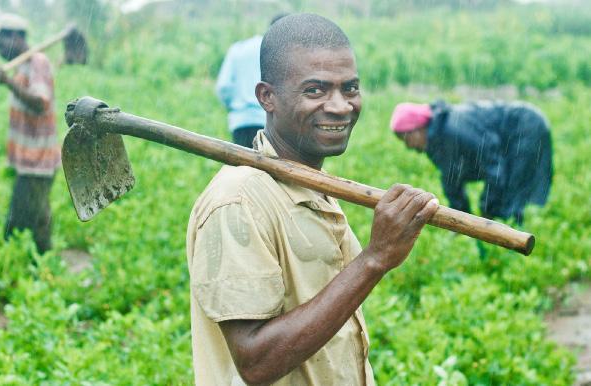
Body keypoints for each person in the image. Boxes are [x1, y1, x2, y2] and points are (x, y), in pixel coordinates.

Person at [187, 14, 439, 385]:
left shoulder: (313, 184)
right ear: (266, 97)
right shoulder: (237, 203)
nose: (340, 106)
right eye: (315, 90)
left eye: (349, 88)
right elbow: (257, 362)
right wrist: (374, 259)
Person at [391, 100, 552, 225]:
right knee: (504, 197)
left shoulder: (453, 129)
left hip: (526, 127)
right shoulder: (437, 139)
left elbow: (494, 168)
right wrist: (460, 217)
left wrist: (487, 210)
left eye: (406, 139)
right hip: (517, 131)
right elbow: (451, 177)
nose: (408, 146)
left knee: (510, 194)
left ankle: (514, 244)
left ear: (417, 128)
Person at [0, 14, 61, 253]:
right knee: (32, 216)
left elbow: (40, 102)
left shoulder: (37, 62)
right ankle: (39, 267)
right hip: (27, 160)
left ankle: (42, 270)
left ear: (14, 36)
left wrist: (7, 82)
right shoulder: (20, 65)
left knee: (25, 223)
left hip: (38, 161)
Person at [215, 15, 286, 148]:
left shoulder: (238, 49)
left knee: (242, 166)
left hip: (240, 121)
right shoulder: (281, 53)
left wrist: (236, 107)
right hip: (269, 123)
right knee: (268, 167)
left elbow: (223, 86)